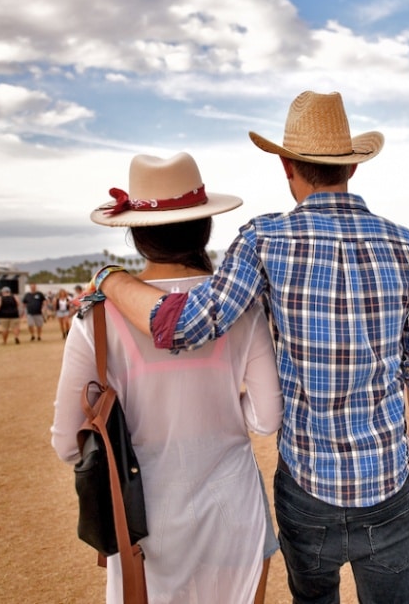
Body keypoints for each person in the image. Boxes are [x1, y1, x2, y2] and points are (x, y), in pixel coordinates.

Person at [89, 91, 409, 604]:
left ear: (286, 166)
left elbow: (182, 325)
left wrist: (109, 276)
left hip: (308, 484)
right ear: (352, 169)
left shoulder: (264, 239)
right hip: (387, 480)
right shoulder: (407, 246)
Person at [51, 152, 284, 604]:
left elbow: (67, 442)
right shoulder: (241, 311)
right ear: (205, 226)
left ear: (136, 235)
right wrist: (219, 407)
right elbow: (267, 418)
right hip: (232, 512)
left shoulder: (95, 319)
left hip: (142, 522)